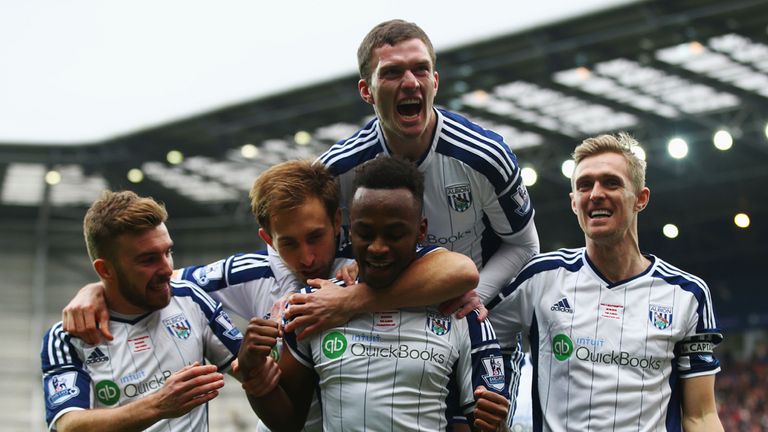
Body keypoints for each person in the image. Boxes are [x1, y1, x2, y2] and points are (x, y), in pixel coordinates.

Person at [60, 160, 483, 431]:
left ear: (338, 221)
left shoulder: (369, 255)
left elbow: (460, 270)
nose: (309, 256)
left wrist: (350, 301)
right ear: (266, 237)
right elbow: (159, 282)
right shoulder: (246, 275)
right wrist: (97, 288)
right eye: (289, 243)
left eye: (317, 236)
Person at [315, 19, 539, 425]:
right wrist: (334, 275)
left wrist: (475, 296)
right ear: (366, 90)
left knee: (487, 424)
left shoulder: (484, 156)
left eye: (420, 69)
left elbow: (524, 245)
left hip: (474, 318)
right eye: (392, 72)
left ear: (436, 80)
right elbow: (305, 247)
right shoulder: (336, 170)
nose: (410, 82)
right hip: (390, 332)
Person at [238, 156, 510, 432]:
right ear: (350, 230)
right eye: (365, 233)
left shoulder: (459, 308)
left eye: (394, 234)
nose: (378, 247)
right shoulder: (311, 306)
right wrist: (254, 375)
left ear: (421, 231)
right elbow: (289, 422)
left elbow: (488, 420)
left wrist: (497, 426)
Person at [486, 133, 724, 431]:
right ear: (574, 203)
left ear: (641, 198)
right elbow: (480, 334)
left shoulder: (687, 294)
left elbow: (700, 416)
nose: (596, 193)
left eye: (611, 182)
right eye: (585, 185)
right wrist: (496, 396)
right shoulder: (541, 277)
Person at [40, 191, 244, 432]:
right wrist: (159, 405)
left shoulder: (190, 298)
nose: (167, 269)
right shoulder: (67, 337)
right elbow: (69, 425)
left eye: (168, 252)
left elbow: (252, 371)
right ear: (105, 270)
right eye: (148, 260)